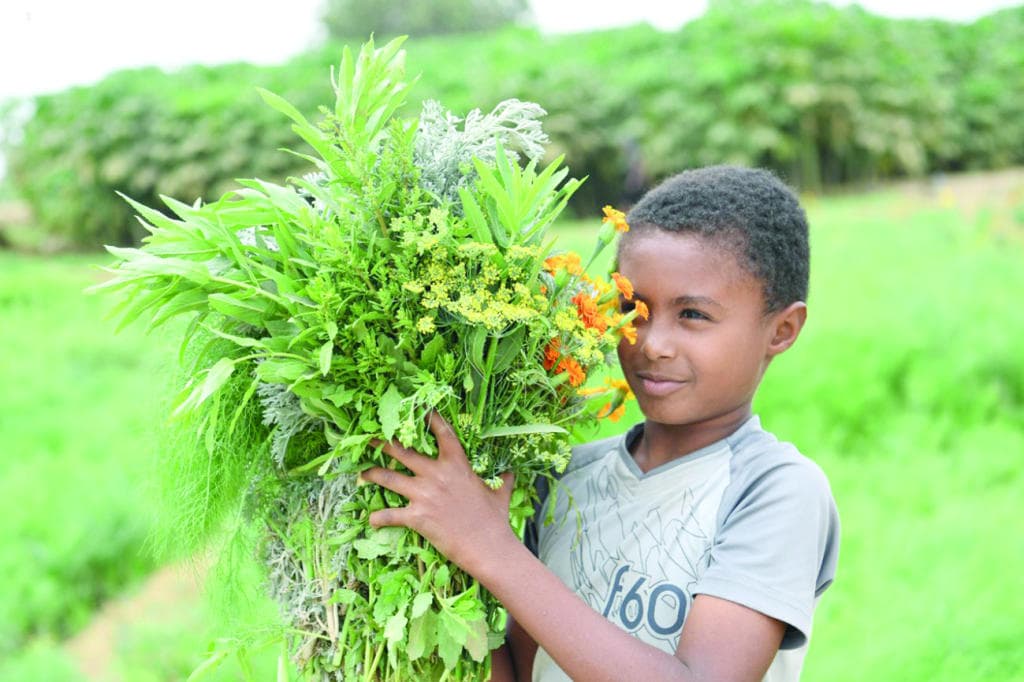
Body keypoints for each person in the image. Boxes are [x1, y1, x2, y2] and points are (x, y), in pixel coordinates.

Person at [362, 165, 840, 681]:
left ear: (782, 329)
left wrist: (486, 544)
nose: (651, 343)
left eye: (693, 315)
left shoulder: (776, 491)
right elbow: (524, 671)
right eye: (632, 308)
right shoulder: (563, 475)